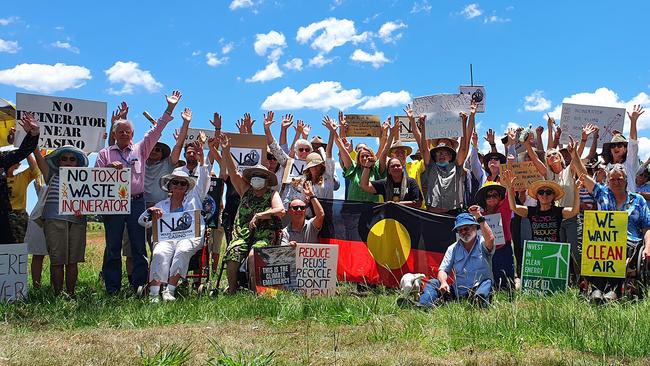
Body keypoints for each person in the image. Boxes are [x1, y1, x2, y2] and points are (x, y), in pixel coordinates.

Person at [95, 90, 181, 295]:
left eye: (128, 132)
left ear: (133, 135)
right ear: (114, 135)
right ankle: (112, 290)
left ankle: (140, 288)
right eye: (121, 131)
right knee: (113, 247)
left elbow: (156, 130)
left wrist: (170, 108)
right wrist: (108, 170)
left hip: (136, 202)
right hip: (113, 204)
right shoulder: (105, 154)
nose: (124, 134)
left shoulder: (140, 149)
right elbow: (95, 181)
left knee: (139, 247)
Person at [571, 141, 650, 302]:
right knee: (600, 248)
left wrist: (648, 247)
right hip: (604, 243)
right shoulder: (602, 194)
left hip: (630, 243)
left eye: (619, 179)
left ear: (626, 181)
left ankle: (613, 290)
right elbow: (584, 176)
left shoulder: (638, 200)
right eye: (612, 180)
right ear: (608, 182)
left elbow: (647, 227)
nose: (616, 182)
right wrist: (574, 155)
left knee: (619, 249)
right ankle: (598, 289)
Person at [218, 134, 285, 294]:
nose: (257, 179)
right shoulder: (245, 190)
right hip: (242, 234)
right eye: (255, 176)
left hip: (264, 236)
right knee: (233, 252)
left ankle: (256, 290)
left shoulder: (272, 194)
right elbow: (233, 172)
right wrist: (226, 151)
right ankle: (232, 290)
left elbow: (280, 210)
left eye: (261, 176)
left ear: (267, 180)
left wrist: (260, 215)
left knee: (254, 255)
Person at [138, 170, 205, 302]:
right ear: (169, 186)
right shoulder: (161, 205)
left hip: (187, 238)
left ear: (187, 188)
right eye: (175, 182)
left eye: (183, 183)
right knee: (159, 253)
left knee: (182, 250)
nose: (179, 185)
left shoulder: (193, 204)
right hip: (166, 239)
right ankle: (154, 293)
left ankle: (170, 290)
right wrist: (150, 212)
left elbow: (199, 226)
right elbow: (142, 222)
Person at [34, 145, 89, 295]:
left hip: (77, 221)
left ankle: (71, 294)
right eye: (64, 159)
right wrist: (32, 136)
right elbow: (38, 157)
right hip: (54, 219)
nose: (68, 162)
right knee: (57, 260)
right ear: (58, 162)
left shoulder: (86, 179)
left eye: (72, 159)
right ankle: (58, 294)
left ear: (77, 162)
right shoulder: (51, 174)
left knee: (73, 261)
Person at [419, 207, 495, 308]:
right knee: (433, 283)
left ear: (474, 227)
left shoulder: (483, 243)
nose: (463, 232)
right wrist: (443, 282)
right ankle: (424, 305)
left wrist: (479, 216)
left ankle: (479, 302)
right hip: (457, 291)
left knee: (487, 283)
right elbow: (443, 270)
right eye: (460, 230)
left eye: (466, 228)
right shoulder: (452, 248)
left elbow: (490, 238)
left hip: (479, 288)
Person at [408, 103, 473, 215]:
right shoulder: (430, 165)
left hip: (454, 213)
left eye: (446, 151)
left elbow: (463, 148)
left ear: (452, 154)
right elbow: (423, 149)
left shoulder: (457, 165)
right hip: (433, 214)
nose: (442, 154)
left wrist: (464, 122)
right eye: (439, 151)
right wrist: (423, 125)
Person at [503, 169, 581, 243]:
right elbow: (513, 207)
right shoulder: (531, 211)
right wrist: (510, 188)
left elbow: (575, 211)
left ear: (553, 196)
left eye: (548, 192)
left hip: (554, 250)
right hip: (537, 251)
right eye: (541, 192)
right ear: (537, 196)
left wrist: (576, 191)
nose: (544, 195)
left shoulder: (559, 211)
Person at [325, 116, 387, 202]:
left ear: (372, 157)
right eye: (362, 156)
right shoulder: (353, 169)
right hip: (353, 211)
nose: (365, 158)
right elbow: (341, 145)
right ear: (357, 157)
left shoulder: (376, 169)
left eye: (367, 156)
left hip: (372, 211)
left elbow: (383, 150)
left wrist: (384, 133)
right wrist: (334, 131)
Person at [0, 112, 40, 244]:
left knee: (11, 257)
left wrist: (33, 133)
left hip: (5, 222)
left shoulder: (2, 159)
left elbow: (22, 152)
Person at [475, 182, 514, 290]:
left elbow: (509, 197)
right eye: (488, 196)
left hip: (504, 250)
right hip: (487, 253)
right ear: (484, 199)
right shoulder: (480, 216)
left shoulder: (504, 209)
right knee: (491, 282)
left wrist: (510, 187)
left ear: (500, 197)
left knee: (507, 283)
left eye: (495, 195)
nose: (491, 198)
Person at [601, 105, 643, 192]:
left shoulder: (630, 162)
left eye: (620, 145)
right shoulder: (607, 167)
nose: (616, 147)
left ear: (625, 149)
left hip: (628, 204)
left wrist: (633, 121)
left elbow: (633, 143)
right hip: (611, 204)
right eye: (613, 146)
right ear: (610, 150)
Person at [281, 182, 324, 246]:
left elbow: (320, 215)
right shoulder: (284, 232)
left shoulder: (311, 225)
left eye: (302, 207)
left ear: (305, 210)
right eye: (295, 208)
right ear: (289, 211)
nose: (299, 210)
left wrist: (312, 195)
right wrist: (288, 247)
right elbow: (282, 251)